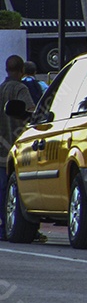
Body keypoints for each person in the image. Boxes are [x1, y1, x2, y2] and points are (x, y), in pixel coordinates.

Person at [0, 54, 33, 240]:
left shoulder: (0, 89)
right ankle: (11, 226)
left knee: (2, 191)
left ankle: (2, 227)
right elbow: (30, 112)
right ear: (21, 71)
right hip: (16, 150)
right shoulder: (21, 88)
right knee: (14, 192)